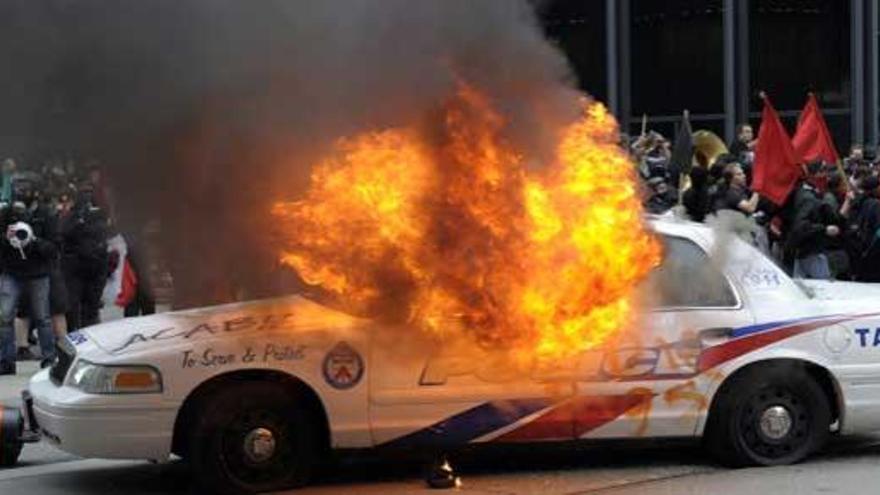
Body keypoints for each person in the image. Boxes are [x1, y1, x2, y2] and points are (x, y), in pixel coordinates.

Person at [0, 184, 59, 374]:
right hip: (11, 271)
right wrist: (6, 238)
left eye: (26, 189)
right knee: (5, 316)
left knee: (43, 317)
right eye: (18, 189)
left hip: (38, 272)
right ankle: (6, 361)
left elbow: (54, 248)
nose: (21, 194)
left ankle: (49, 359)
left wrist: (33, 240)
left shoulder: (46, 215)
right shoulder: (6, 214)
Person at [60, 184, 109, 332]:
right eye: (84, 192)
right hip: (74, 266)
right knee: (72, 305)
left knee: (92, 305)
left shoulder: (100, 213)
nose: (87, 196)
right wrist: (79, 218)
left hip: (96, 265)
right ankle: (73, 334)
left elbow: (105, 232)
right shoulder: (72, 214)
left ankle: (91, 333)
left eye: (90, 192)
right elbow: (65, 232)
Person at [782, 162, 841, 279]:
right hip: (809, 252)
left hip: (801, 251)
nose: (827, 175)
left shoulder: (807, 192)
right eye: (823, 171)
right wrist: (824, 229)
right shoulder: (808, 199)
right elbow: (800, 226)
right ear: (816, 174)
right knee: (824, 287)